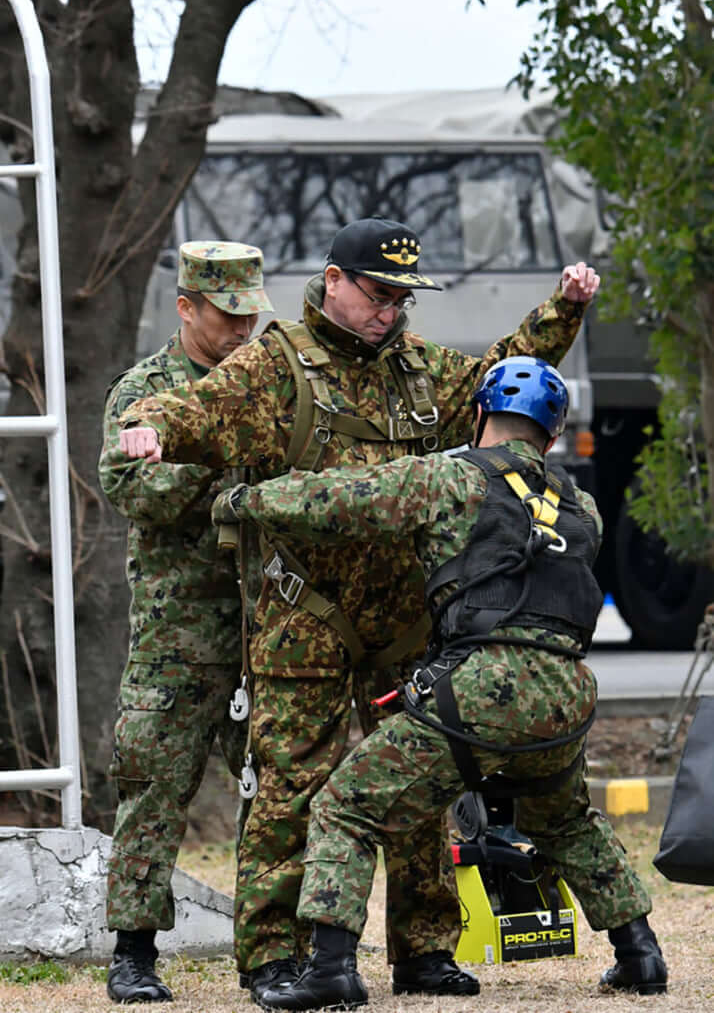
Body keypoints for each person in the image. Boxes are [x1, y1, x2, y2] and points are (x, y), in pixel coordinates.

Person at [116, 216, 599, 1005]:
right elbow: (196, 409)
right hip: (300, 613)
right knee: (290, 785)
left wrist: (563, 309)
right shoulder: (275, 365)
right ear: (334, 281)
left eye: (403, 297)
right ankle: (274, 955)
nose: (391, 311)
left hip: (403, 617)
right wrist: (150, 430)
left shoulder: (418, 370)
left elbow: (502, 381)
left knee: (417, 783)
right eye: (378, 293)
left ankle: (424, 949)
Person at [212, 355, 668, 1011]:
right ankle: (640, 952)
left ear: (480, 413)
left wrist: (243, 499)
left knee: (345, 804)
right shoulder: (584, 506)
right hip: (568, 694)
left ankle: (333, 966)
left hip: (481, 687)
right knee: (565, 819)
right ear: (555, 430)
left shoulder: (449, 479)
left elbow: (338, 501)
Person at [99, 241, 273, 1004]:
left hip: (266, 629)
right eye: (227, 317)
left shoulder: (269, 381)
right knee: (152, 790)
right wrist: (220, 460)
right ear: (187, 308)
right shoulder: (146, 390)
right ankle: (133, 952)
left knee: (277, 795)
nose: (242, 331)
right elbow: (135, 488)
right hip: (178, 639)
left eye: (250, 316)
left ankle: (272, 951)